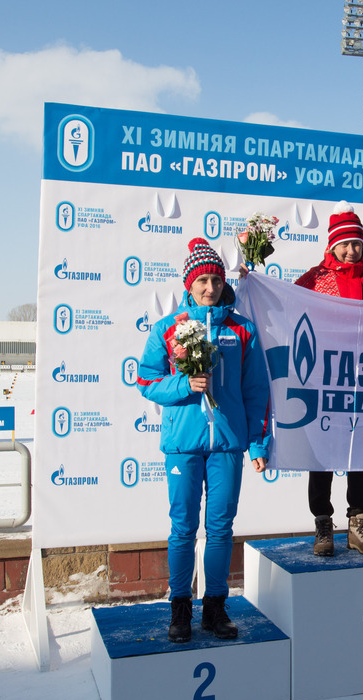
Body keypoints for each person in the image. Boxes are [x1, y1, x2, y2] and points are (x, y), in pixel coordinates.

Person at [137, 238, 271, 644]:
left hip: (227, 444)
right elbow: (145, 380)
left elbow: (256, 392)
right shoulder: (169, 327)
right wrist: (185, 384)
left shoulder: (241, 329)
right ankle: (180, 608)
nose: (210, 287)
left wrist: (258, 445)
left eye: (215, 279)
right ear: (188, 284)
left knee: (220, 528)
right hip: (183, 444)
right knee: (182, 528)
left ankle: (215, 607)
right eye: (202, 281)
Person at [294, 201, 363, 556]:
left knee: (361, 452)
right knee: (322, 452)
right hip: (326, 380)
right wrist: (253, 285)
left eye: (357, 243)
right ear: (332, 246)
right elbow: (284, 306)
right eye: (345, 244)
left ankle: (358, 522)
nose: (352, 250)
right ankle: (323, 524)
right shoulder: (315, 278)